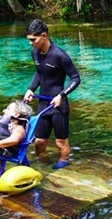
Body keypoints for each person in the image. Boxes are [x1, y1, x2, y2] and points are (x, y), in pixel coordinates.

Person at [23, 19, 81, 170]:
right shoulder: (34, 52)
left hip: (58, 105)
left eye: (33, 40)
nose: (31, 43)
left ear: (44, 35)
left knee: (60, 143)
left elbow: (75, 78)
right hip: (43, 104)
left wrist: (61, 95)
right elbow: (39, 72)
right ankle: (42, 165)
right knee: (39, 142)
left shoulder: (59, 55)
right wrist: (31, 89)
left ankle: (63, 163)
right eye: (29, 40)